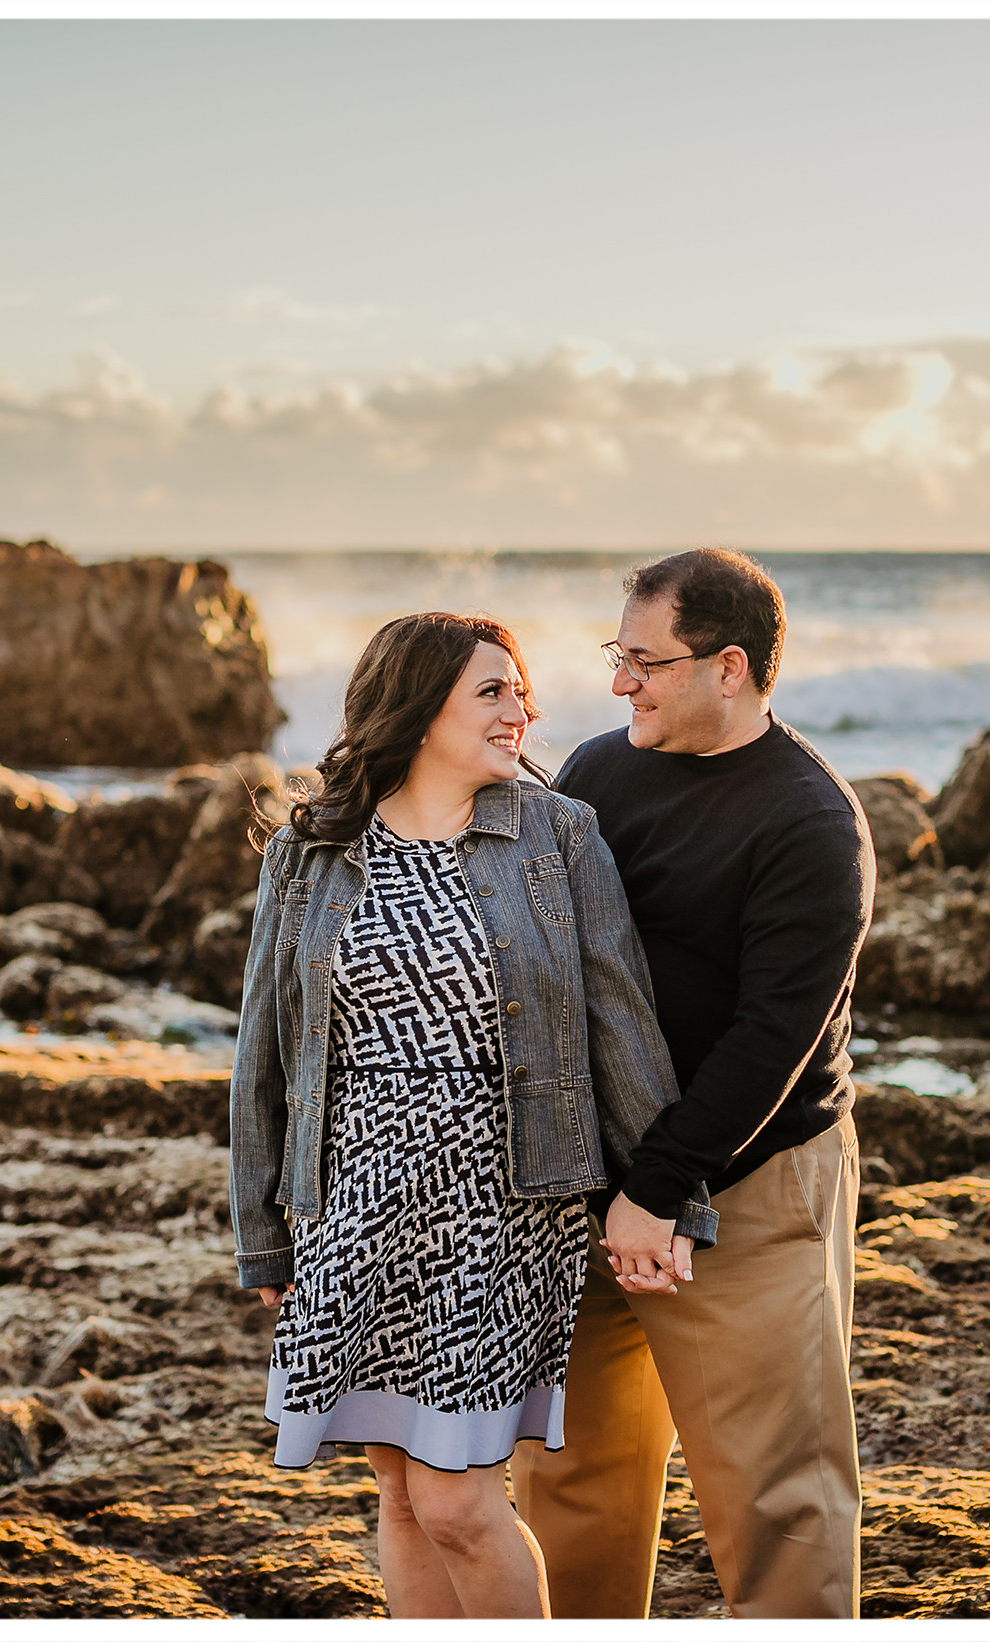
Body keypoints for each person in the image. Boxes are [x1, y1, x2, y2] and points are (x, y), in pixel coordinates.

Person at [227, 611, 717, 1620]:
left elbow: (619, 1025)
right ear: (416, 706)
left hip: (498, 1211)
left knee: (456, 1498)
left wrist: (667, 1198)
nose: (522, 709)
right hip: (349, 1212)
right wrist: (264, 1239)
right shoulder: (312, 847)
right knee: (400, 1494)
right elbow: (264, 1060)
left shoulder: (555, 835)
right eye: (494, 690)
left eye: (521, 688)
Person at [511, 548, 874, 1619]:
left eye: (643, 660)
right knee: (569, 1481)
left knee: (776, 1499)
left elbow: (776, 1040)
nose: (620, 680)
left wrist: (659, 1187)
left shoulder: (810, 823)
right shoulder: (599, 770)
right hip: (587, 1183)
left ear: (729, 666)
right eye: (615, 654)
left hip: (746, 1178)